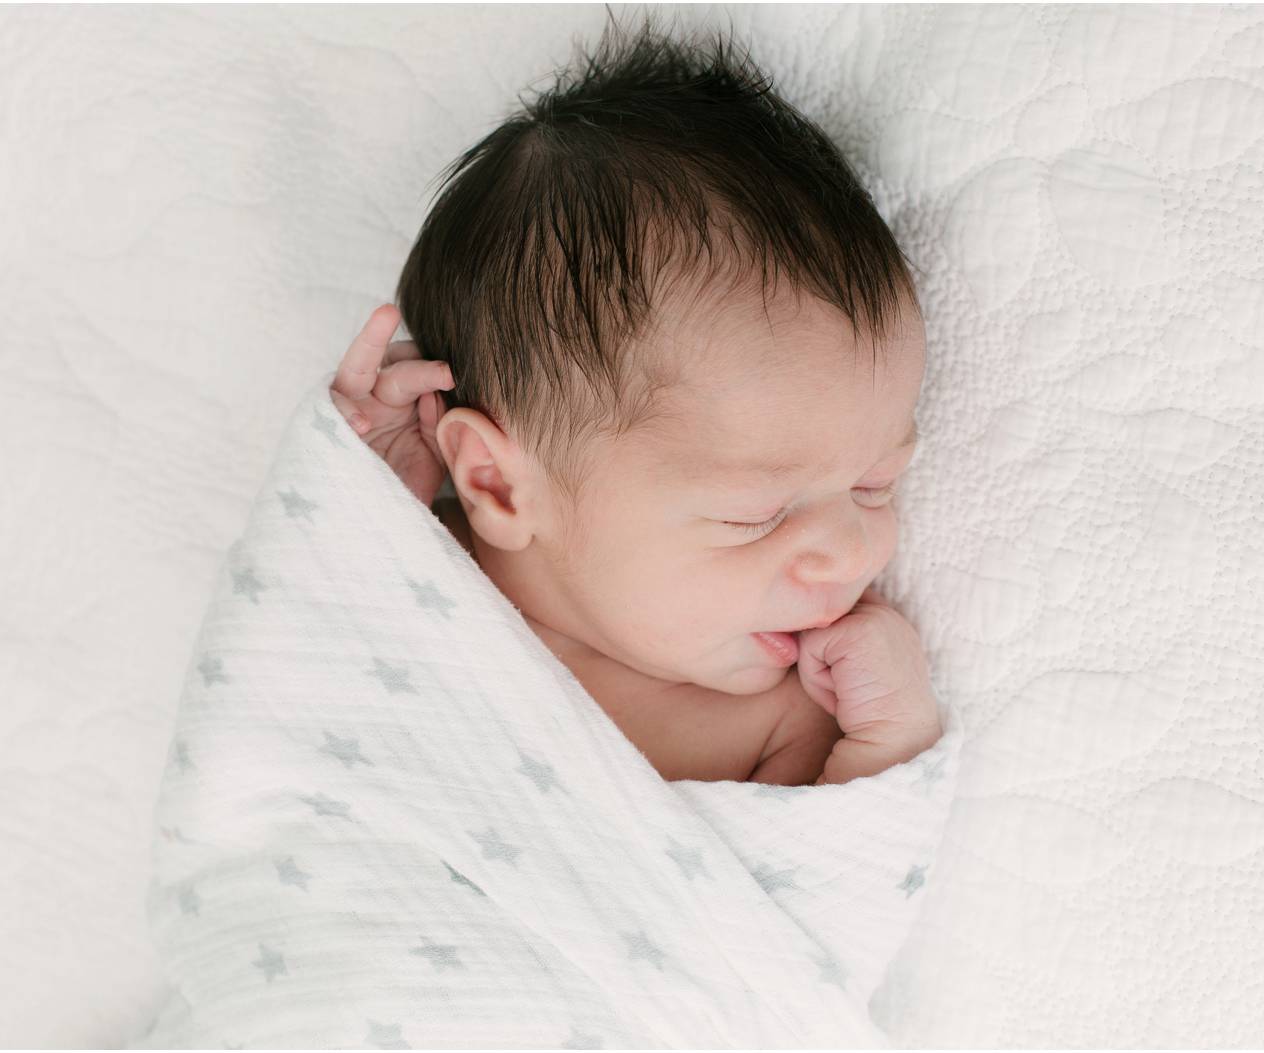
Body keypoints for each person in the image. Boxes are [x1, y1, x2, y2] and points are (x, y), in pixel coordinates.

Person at [328, 13, 940, 786]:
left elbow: (840, 892)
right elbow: (282, 666)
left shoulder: (789, 717)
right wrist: (355, 493)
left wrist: (891, 743)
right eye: (756, 514)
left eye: (873, 484)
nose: (856, 554)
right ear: (493, 481)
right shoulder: (399, 574)